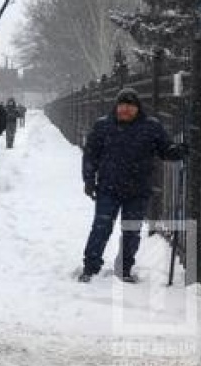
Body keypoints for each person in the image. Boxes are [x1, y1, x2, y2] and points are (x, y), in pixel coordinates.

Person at [79, 88, 185, 283]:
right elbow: (91, 155)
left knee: (131, 231)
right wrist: (88, 179)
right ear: (116, 106)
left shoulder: (151, 127)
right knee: (101, 228)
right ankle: (90, 267)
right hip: (108, 188)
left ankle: (124, 269)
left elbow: (165, 150)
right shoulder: (103, 126)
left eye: (130, 106)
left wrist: (176, 151)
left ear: (137, 108)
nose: (125, 110)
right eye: (122, 105)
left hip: (138, 190)